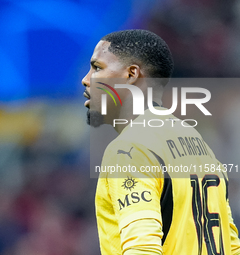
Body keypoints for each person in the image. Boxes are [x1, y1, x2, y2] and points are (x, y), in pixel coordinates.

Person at [82, 29, 240, 255]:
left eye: (97, 68)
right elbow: (230, 244)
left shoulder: (129, 149)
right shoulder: (198, 144)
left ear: (131, 74)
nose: (86, 79)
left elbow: (142, 248)